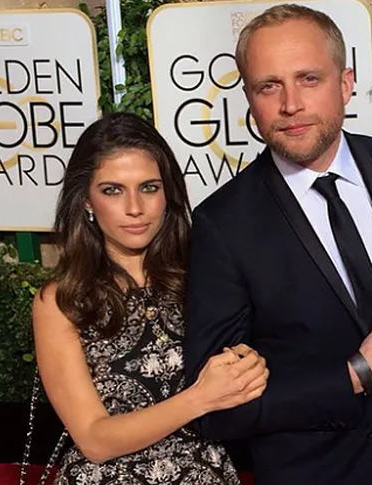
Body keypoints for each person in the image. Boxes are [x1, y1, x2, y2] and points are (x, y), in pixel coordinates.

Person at [183, 4, 372, 485]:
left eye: (308, 79)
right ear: (249, 99)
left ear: (345, 84)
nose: (290, 104)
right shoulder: (223, 224)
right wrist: (356, 375)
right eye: (268, 86)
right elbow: (219, 408)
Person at [31, 112, 269, 484]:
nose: (134, 208)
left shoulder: (203, 274)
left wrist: (249, 365)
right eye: (112, 190)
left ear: (167, 192)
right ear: (87, 200)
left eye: (149, 187)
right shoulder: (63, 301)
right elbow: (93, 439)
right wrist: (201, 397)